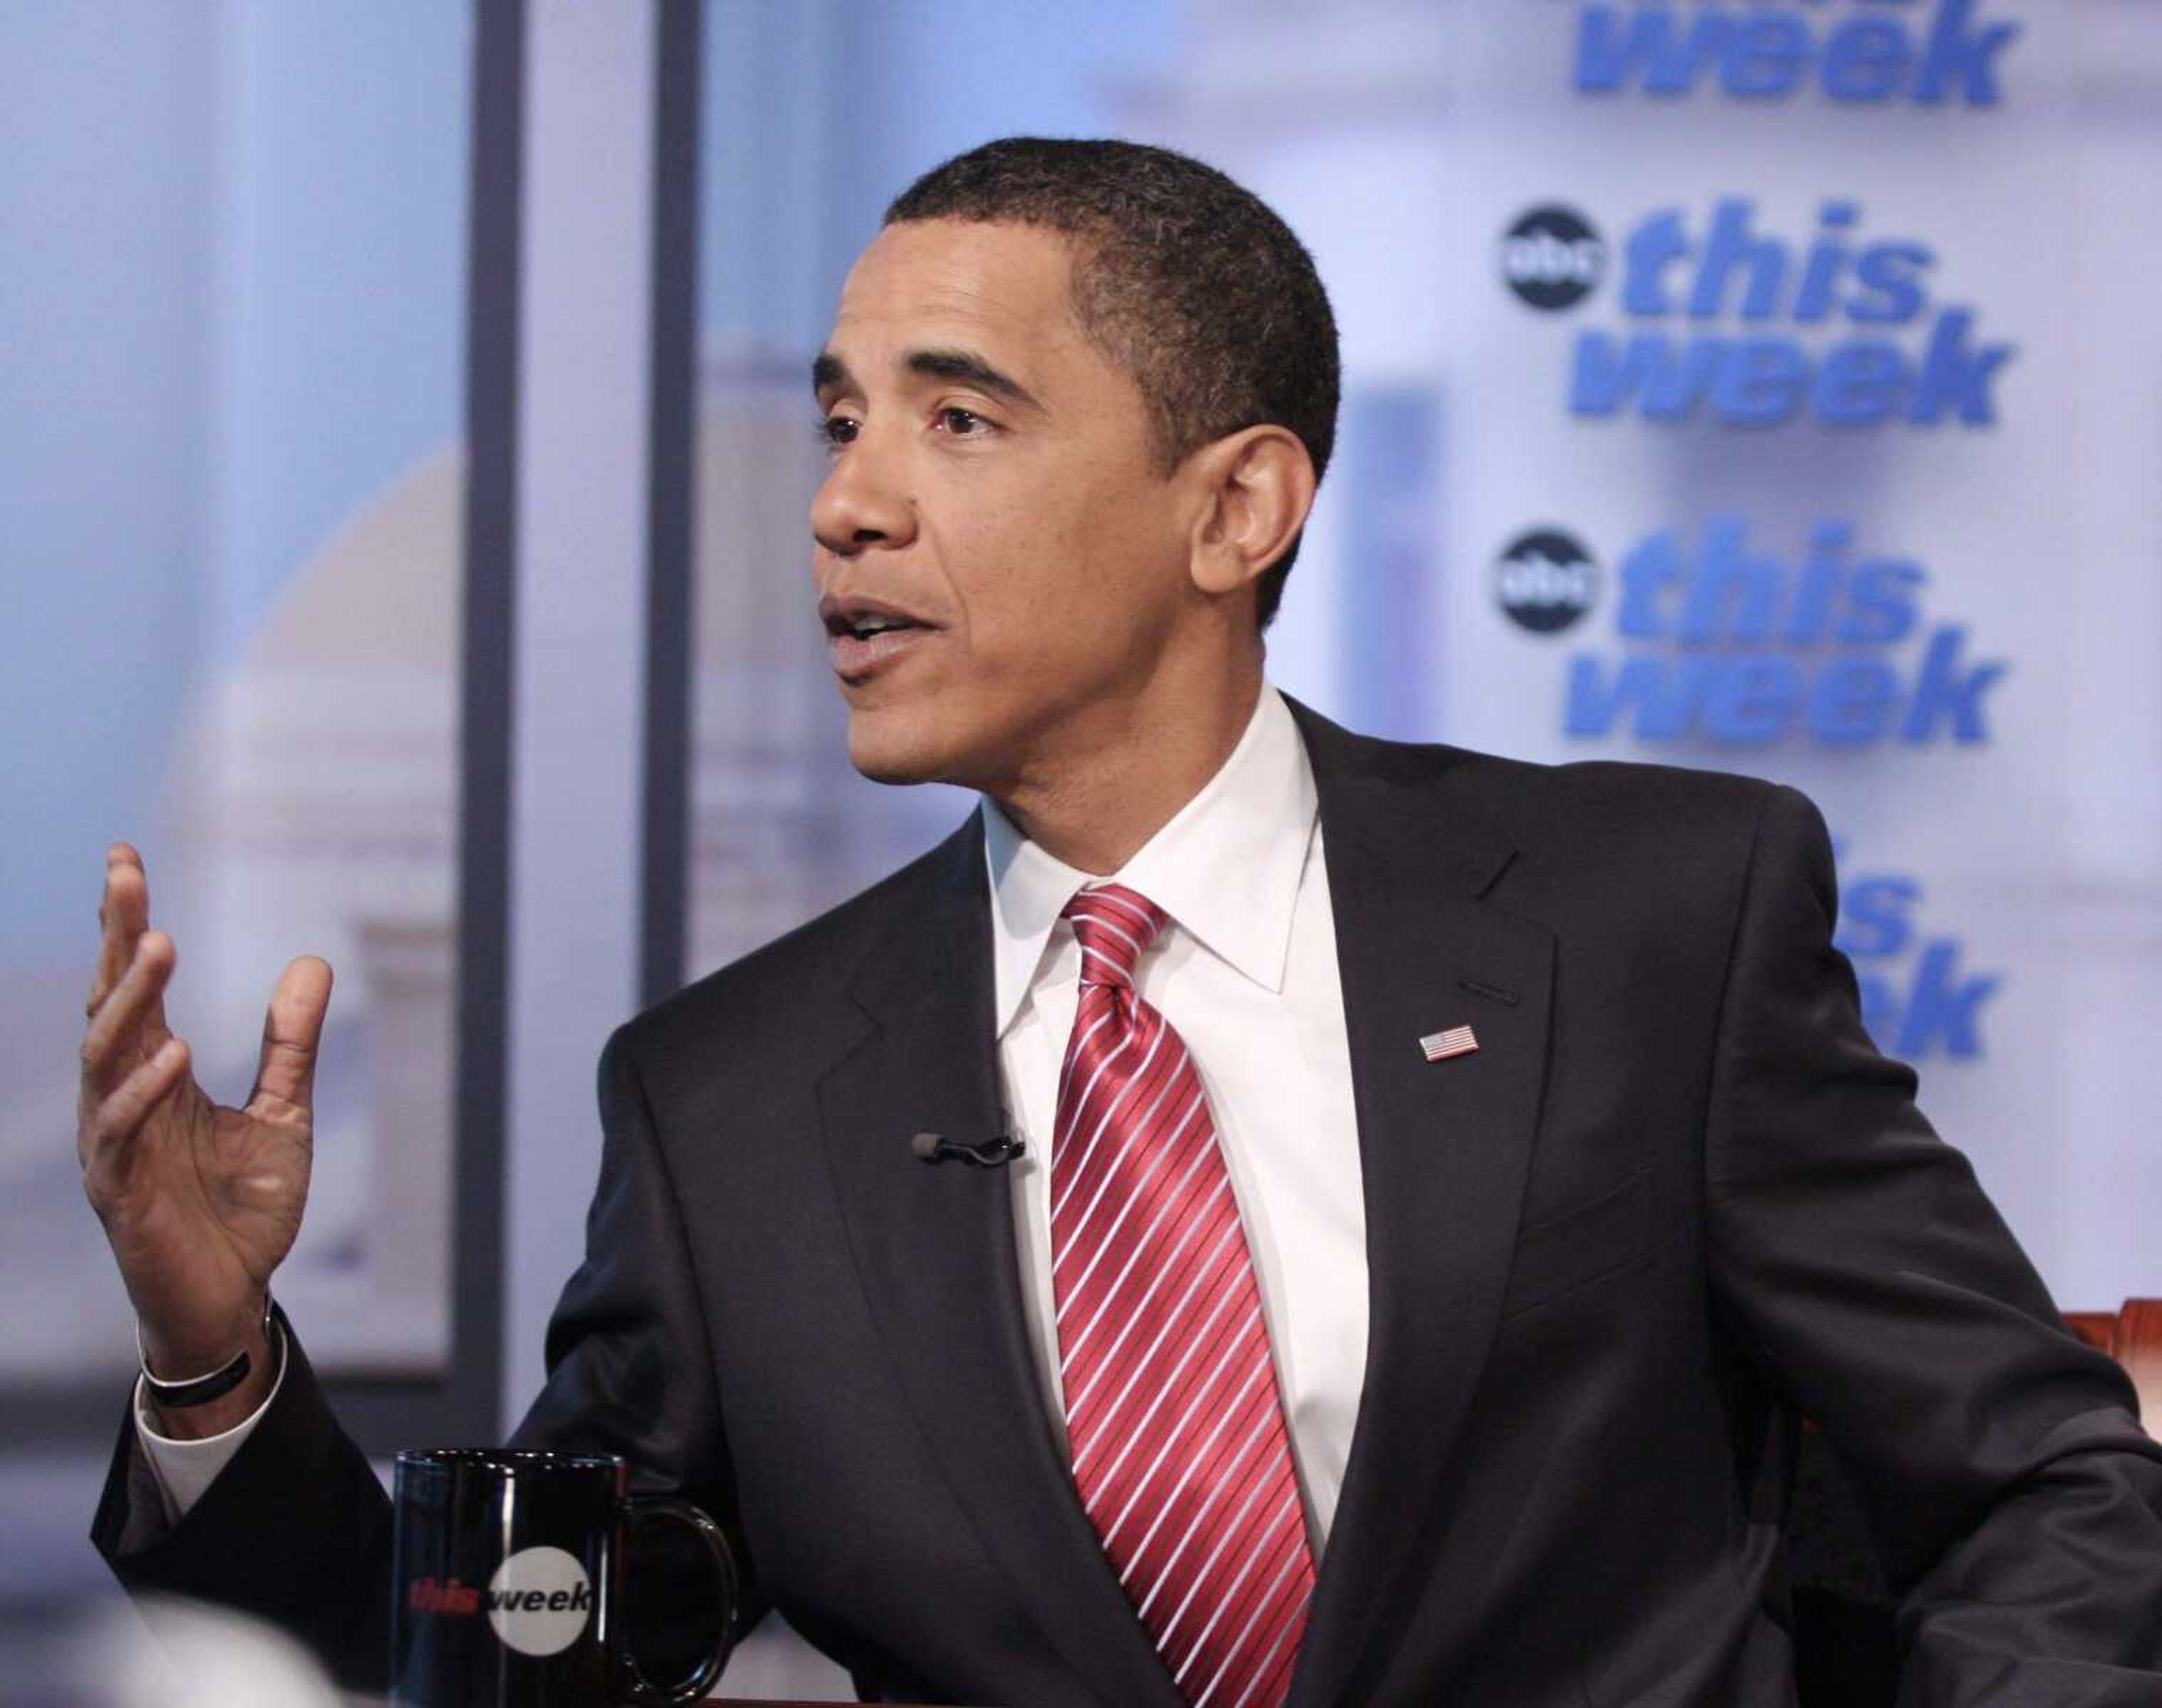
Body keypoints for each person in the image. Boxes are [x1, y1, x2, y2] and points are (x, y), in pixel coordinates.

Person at [79, 137, 2161, 1707]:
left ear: (1235, 507)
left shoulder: (1652, 920)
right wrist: (208, 1354)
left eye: (957, 417)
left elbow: (2040, 1485)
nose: (846, 501)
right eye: (840, 418)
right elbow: (483, 1654)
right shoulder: (728, 1105)